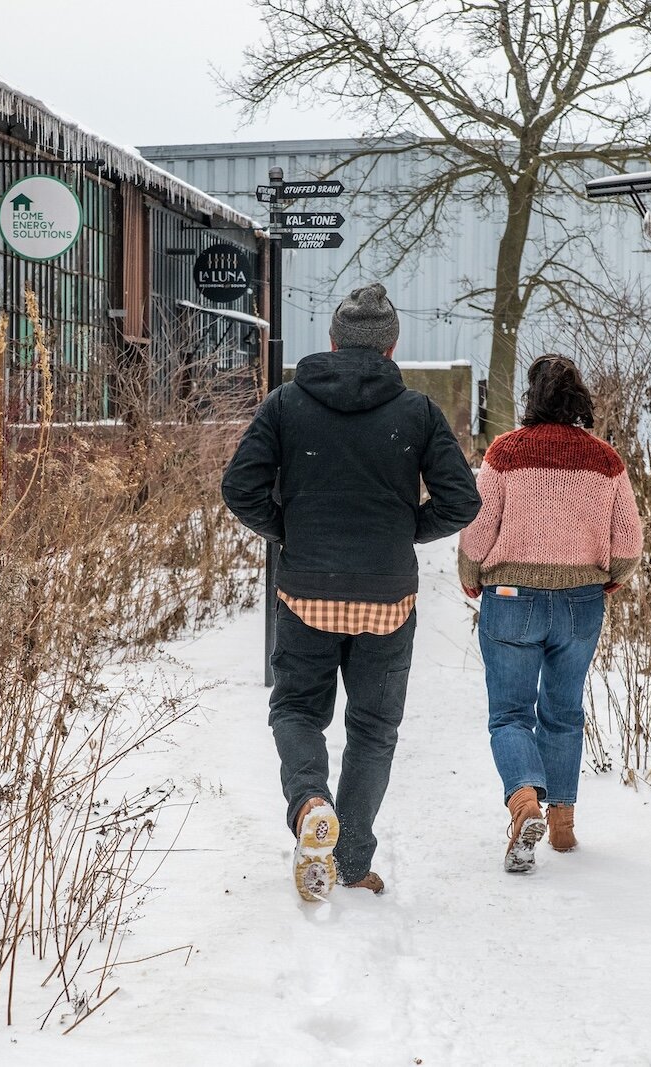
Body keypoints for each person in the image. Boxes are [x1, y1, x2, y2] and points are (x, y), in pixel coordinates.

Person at [222, 282, 481, 903]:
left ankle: (311, 800)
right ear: (392, 348)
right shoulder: (417, 412)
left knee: (297, 710)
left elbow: (240, 487)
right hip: (387, 598)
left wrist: (292, 531)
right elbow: (462, 500)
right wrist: (403, 531)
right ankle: (352, 858)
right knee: (373, 728)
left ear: (332, 342)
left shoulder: (287, 404)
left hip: (306, 589)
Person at [456, 354, 643, 873]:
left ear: (531, 399)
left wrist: (472, 576)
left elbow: (477, 530)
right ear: (578, 397)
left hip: (512, 597)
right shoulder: (605, 460)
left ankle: (523, 804)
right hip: (581, 600)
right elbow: (628, 542)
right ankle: (562, 826)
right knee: (563, 712)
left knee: (510, 714)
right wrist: (609, 577)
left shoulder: (506, 454)